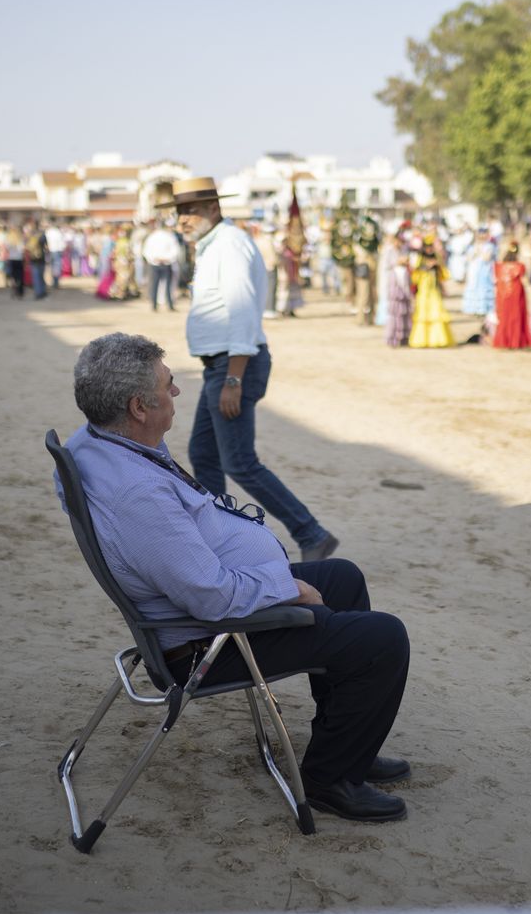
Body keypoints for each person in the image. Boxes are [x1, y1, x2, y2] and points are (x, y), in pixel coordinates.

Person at [58, 333, 409, 821]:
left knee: (343, 577)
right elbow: (210, 598)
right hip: (209, 642)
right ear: (139, 407)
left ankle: (347, 751)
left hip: (207, 609)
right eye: (168, 384)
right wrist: (289, 588)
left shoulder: (94, 441)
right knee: (383, 638)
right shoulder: (137, 496)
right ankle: (329, 781)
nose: (177, 393)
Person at [162, 176, 339, 561]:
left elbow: (242, 314)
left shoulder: (230, 244)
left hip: (234, 364)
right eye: (179, 212)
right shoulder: (214, 245)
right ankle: (219, 537)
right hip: (221, 365)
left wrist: (233, 379)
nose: (183, 219)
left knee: (239, 462)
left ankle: (311, 533)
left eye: (190, 210)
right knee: (204, 455)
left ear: (213, 208)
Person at [408, 235, 454, 348]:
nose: (429, 249)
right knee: (422, 313)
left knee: (436, 312)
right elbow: (414, 277)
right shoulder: (419, 259)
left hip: (434, 290)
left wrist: (438, 266)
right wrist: (425, 267)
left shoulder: (437, 258)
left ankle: (438, 340)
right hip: (423, 291)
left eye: (431, 247)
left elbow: (445, 275)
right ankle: (421, 340)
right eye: (427, 247)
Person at [492, 241, 531, 350]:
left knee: (504, 318)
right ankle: (515, 341)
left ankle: (504, 341)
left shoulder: (499, 266)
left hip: (502, 295)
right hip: (516, 295)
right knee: (516, 318)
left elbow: (496, 280)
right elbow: (525, 280)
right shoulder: (519, 266)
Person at [144, 219, 179, 311]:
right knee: (167, 285)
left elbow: (147, 251)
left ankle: (155, 305)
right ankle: (168, 305)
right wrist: (166, 258)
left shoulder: (152, 236)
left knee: (155, 284)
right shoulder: (169, 236)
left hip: (158, 262)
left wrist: (154, 259)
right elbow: (175, 250)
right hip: (163, 262)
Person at [384, 236, 412, 347]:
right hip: (395, 290)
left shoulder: (404, 251)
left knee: (404, 314)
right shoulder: (389, 251)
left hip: (403, 284)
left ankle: (404, 337)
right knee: (395, 316)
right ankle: (394, 338)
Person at [353, 213, 381, 326]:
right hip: (363, 268)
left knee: (373, 294)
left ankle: (372, 318)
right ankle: (360, 318)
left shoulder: (375, 240)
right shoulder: (358, 243)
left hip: (372, 267)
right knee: (363, 294)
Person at [462, 233, 496, 316]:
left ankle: (484, 310)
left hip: (485, 272)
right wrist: (475, 251)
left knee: (483, 289)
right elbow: (468, 259)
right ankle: (473, 309)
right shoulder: (471, 247)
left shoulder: (490, 246)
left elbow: (486, 258)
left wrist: (480, 251)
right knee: (473, 288)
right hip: (473, 272)